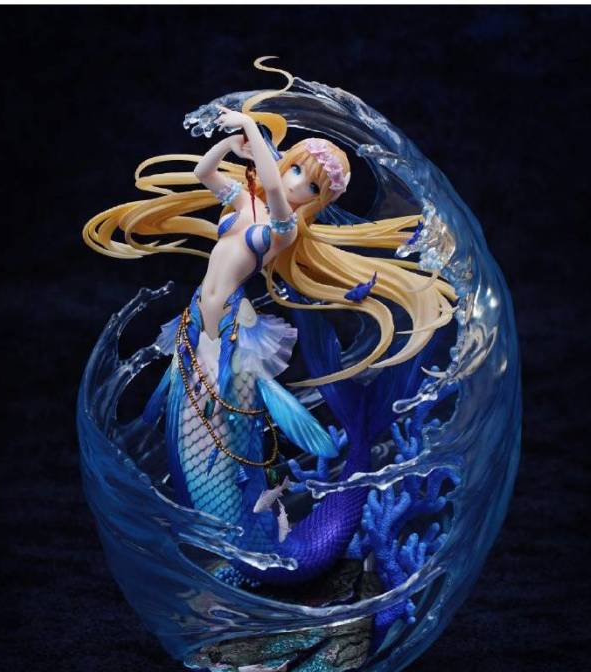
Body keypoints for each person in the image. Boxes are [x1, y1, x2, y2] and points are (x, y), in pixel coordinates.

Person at [82, 59, 456, 581]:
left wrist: (253, 130)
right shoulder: (243, 202)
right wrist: (229, 145)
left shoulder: (284, 228)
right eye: (297, 168)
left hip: (232, 335)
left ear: (318, 203)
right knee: (184, 434)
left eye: (314, 187)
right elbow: (204, 173)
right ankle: (230, 544)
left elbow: (279, 195)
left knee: (225, 443)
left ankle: (259, 547)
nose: (298, 184)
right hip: (197, 327)